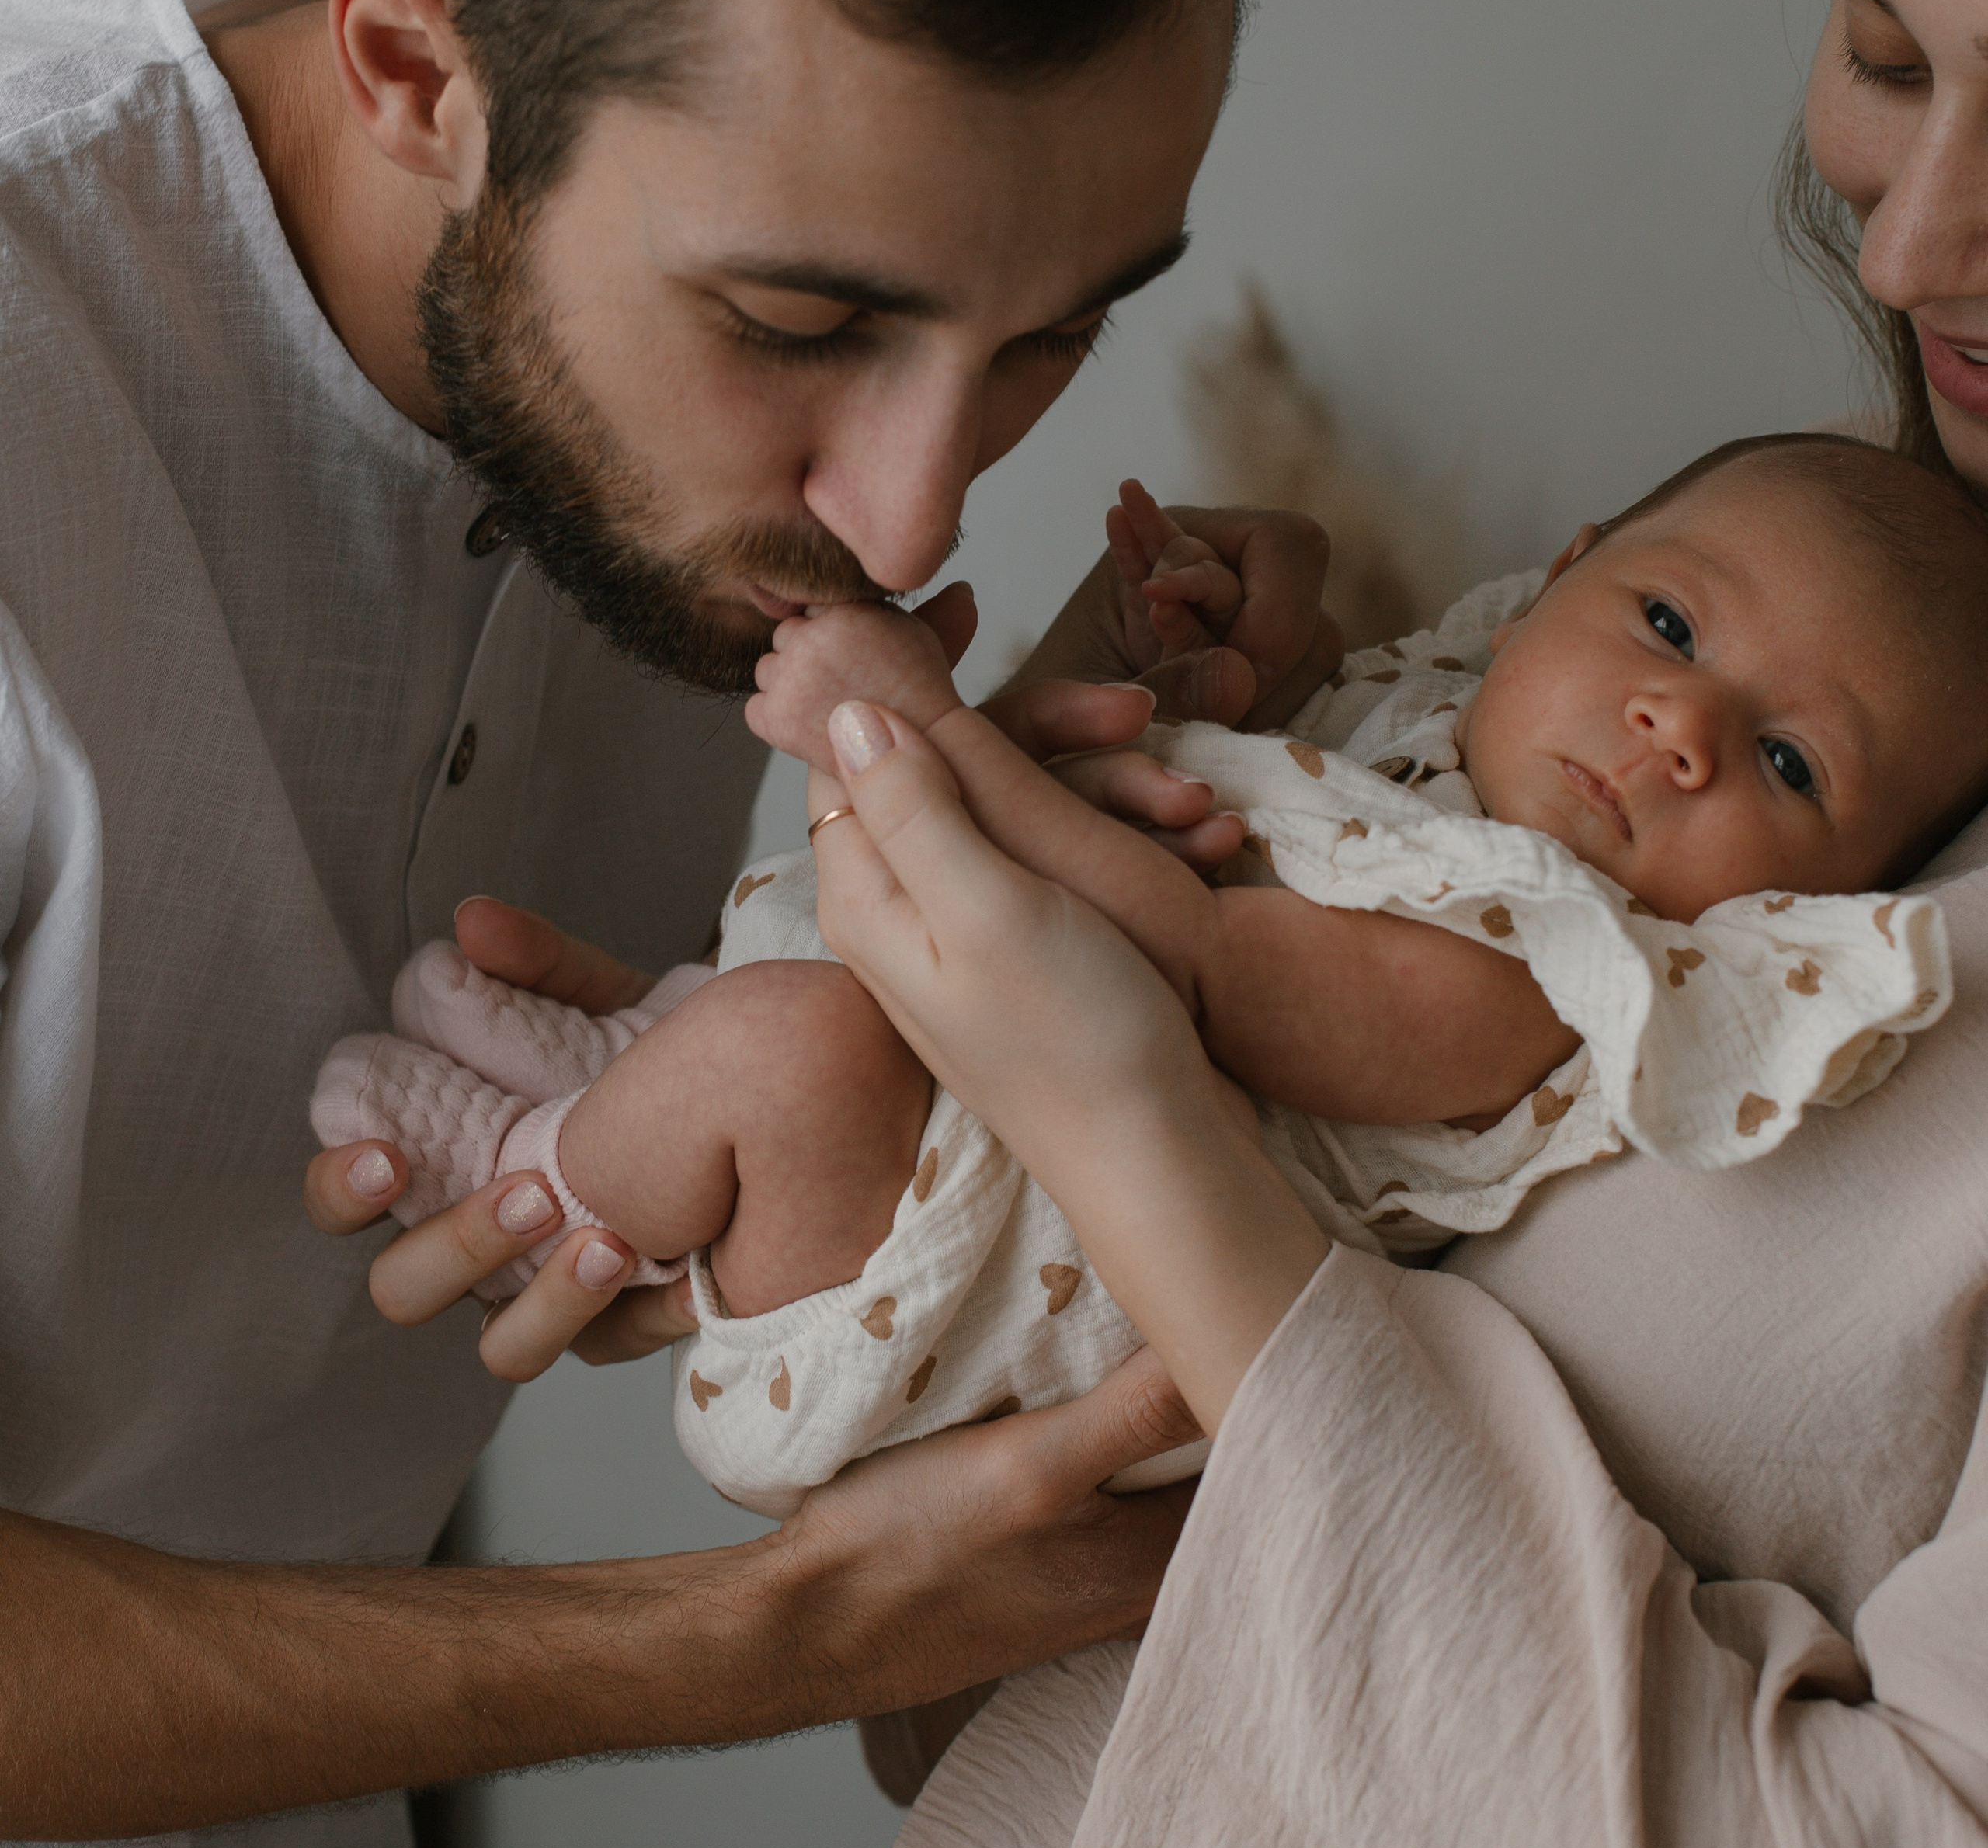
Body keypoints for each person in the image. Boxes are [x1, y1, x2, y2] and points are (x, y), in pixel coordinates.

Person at [0, 0, 1347, 1848]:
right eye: (802, 321)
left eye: (1058, 329)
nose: (912, 512)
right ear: (413, 57)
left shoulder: (688, 484)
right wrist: (749, 1638)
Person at [798, 0, 1988, 1848]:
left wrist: (1139, 1121)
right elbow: (1077, 1696)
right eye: (1888, 55)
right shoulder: (1762, 703)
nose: (1908, 252)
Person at [318, 430, 1969, 1526]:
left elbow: (1194, 951)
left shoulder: (1543, 987)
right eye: (1669, 625)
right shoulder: (1432, 739)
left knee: (799, 1051)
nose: (1673, 729)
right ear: (1561, 570)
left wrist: (913, 727)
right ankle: (633, 1070)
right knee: (793, 1015)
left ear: (1820, 909)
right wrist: (1184, 663)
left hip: (986, 1290)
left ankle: (541, 1180)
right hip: (962, 1089)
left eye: (1785, 762)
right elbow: (1197, 803)